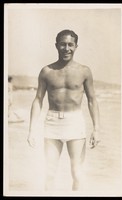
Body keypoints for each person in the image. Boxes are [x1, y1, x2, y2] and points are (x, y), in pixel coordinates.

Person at [27, 29, 100, 191]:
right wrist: (32, 130)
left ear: (76, 46)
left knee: (77, 173)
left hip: (75, 122)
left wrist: (97, 129)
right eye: (62, 44)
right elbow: (38, 99)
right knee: (50, 173)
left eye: (70, 45)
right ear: (56, 46)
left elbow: (92, 100)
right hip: (52, 123)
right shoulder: (47, 71)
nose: (66, 48)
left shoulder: (84, 71)